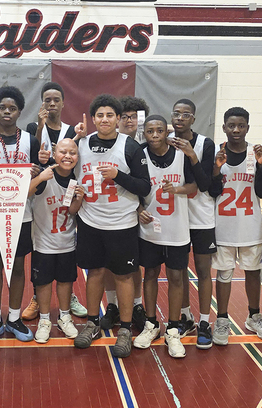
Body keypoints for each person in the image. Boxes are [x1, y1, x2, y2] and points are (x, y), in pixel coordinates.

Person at [72, 94, 151, 358]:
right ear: (93, 119)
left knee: (123, 276)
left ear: (118, 119)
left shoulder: (130, 147)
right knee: (94, 273)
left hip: (122, 223)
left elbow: (144, 187)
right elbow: (61, 167)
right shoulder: (81, 144)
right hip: (90, 221)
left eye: (110, 115)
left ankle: (126, 329)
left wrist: (119, 176)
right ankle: (93, 322)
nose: (104, 119)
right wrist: (72, 139)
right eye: (100, 115)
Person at [0, 85, 42, 345]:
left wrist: (35, 173)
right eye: (2, 107)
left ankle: (14, 318)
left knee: (18, 267)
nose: (7, 112)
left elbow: (39, 183)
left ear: (19, 111)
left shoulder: (30, 141)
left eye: (12, 108)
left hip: (21, 215)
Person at [207, 107, 262, 346]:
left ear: (248, 127)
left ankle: (253, 316)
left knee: (253, 273)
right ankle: (222, 319)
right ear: (224, 128)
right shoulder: (216, 153)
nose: (236, 130)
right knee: (224, 274)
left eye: (241, 126)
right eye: (231, 126)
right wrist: (216, 168)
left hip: (250, 225)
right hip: (223, 225)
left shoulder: (256, 154)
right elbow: (212, 191)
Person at [133, 116, 196, 358]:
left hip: (177, 229)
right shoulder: (139, 155)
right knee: (149, 274)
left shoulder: (181, 154)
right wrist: (139, 210)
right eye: (150, 130)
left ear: (166, 131)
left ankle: (172, 328)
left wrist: (178, 189)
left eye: (160, 130)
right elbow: (133, 189)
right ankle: (151, 324)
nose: (155, 134)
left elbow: (194, 186)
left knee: (176, 277)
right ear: (145, 133)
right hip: (150, 229)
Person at [22, 82, 86, 321]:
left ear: (62, 102)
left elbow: (72, 157)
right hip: (42, 185)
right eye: (47, 100)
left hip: (64, 186)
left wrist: (79, 137)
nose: (51, 104)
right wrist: (39, 126)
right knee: (42, 248)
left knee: (63, 243)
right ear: (42, 103)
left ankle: (68, 299)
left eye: (55, 100)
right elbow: (31, 153)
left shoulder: (71, 130)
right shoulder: (33, 126)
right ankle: (39, 299)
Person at [169, 98, 216, 349]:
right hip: (175, 215)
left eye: (185, 114)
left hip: (200, 216)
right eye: (176, 113)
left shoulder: (205, 144)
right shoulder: (164, 141)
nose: (180, 118)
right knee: (178, 270)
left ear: (193, 119)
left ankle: (205, 321)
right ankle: (185, 316)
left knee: (203, 270)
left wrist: (191, 156)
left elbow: (206, 184)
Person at [100, 96, 150, 332]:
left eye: (136, 116)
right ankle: (112, 305)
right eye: (127, 116)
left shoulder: (149, 141)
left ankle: (137, 305)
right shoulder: (106, 142)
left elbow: (144, 182)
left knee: (133, 265)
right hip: (119, 213)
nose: (131, 120)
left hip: (147, 211)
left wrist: (141, 206)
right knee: (111, 263)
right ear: (119, 118)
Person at [28, 138, 86, 343]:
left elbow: (70, 211)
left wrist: (78, 201)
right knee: (43, 283)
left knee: (65, 281)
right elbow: (25, 194)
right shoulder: (46, 175)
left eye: (72, 153)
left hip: (67, 242)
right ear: (54, 154)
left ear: (77, 157)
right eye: (63, 152)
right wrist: (39, 178)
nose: (68, 156)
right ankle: (44, 320)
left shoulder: (75, 180)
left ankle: (64, 316)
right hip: (43, 243)